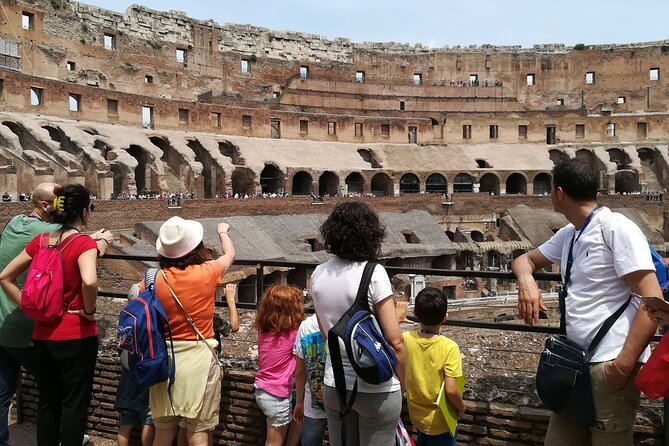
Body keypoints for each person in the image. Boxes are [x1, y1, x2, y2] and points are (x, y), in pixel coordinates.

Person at [512, 159, 661, 446]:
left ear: (559, 193)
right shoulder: (569, 234)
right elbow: (524, 260)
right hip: (572, 365)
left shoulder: (616, 228)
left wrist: (622, 367)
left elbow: (652, 300)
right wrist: (527, 281)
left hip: (608, 364)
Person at [0, 184, 112, 446]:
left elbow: (5, 277)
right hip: (75, 334)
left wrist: (31, 307)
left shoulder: (40, 240)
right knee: (74, 403)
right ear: (84, 212)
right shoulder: (82, 242)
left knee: (48, 401)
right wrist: (89, 310)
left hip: (41, 334)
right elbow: (90, 281)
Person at [310, 201, 406, 446]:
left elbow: (325, 334)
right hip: (376, 387)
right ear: (371, 234)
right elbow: (395, 341)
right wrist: (403, 386)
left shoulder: (319, 273)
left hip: (335, 384)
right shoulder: (373, 273)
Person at [147, 216, 235, 446]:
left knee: (163, 432)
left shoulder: (153, 278)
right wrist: (223, 232)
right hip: (199, 360)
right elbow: (229, 256)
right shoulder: (207, 271)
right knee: (199, 432)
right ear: (195, 247)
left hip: (163, 360)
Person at [403, 287, 465, 446]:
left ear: (415, 313)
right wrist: (461, 407)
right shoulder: (449, 347)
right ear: (445, 317)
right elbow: (451, 389)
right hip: (441, 422)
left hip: (417, 417)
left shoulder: (405, 339)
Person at [254, 284, 304, 446]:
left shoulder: (264, 329)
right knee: (273, 443)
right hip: (277, 395)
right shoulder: (294, 333)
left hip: (262, 389)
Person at [116, 283, 155, 446]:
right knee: (149, 420)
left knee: (125, 423)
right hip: (146, 374)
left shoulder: (126, 316)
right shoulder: (149, 316)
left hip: (127, 375)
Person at [290, 313, 327, 446]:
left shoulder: (307, 324)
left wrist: (299, 403)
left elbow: (300, 371)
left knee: (311, 441)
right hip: (343, 397)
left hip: (313, 399)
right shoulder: (346, 318)